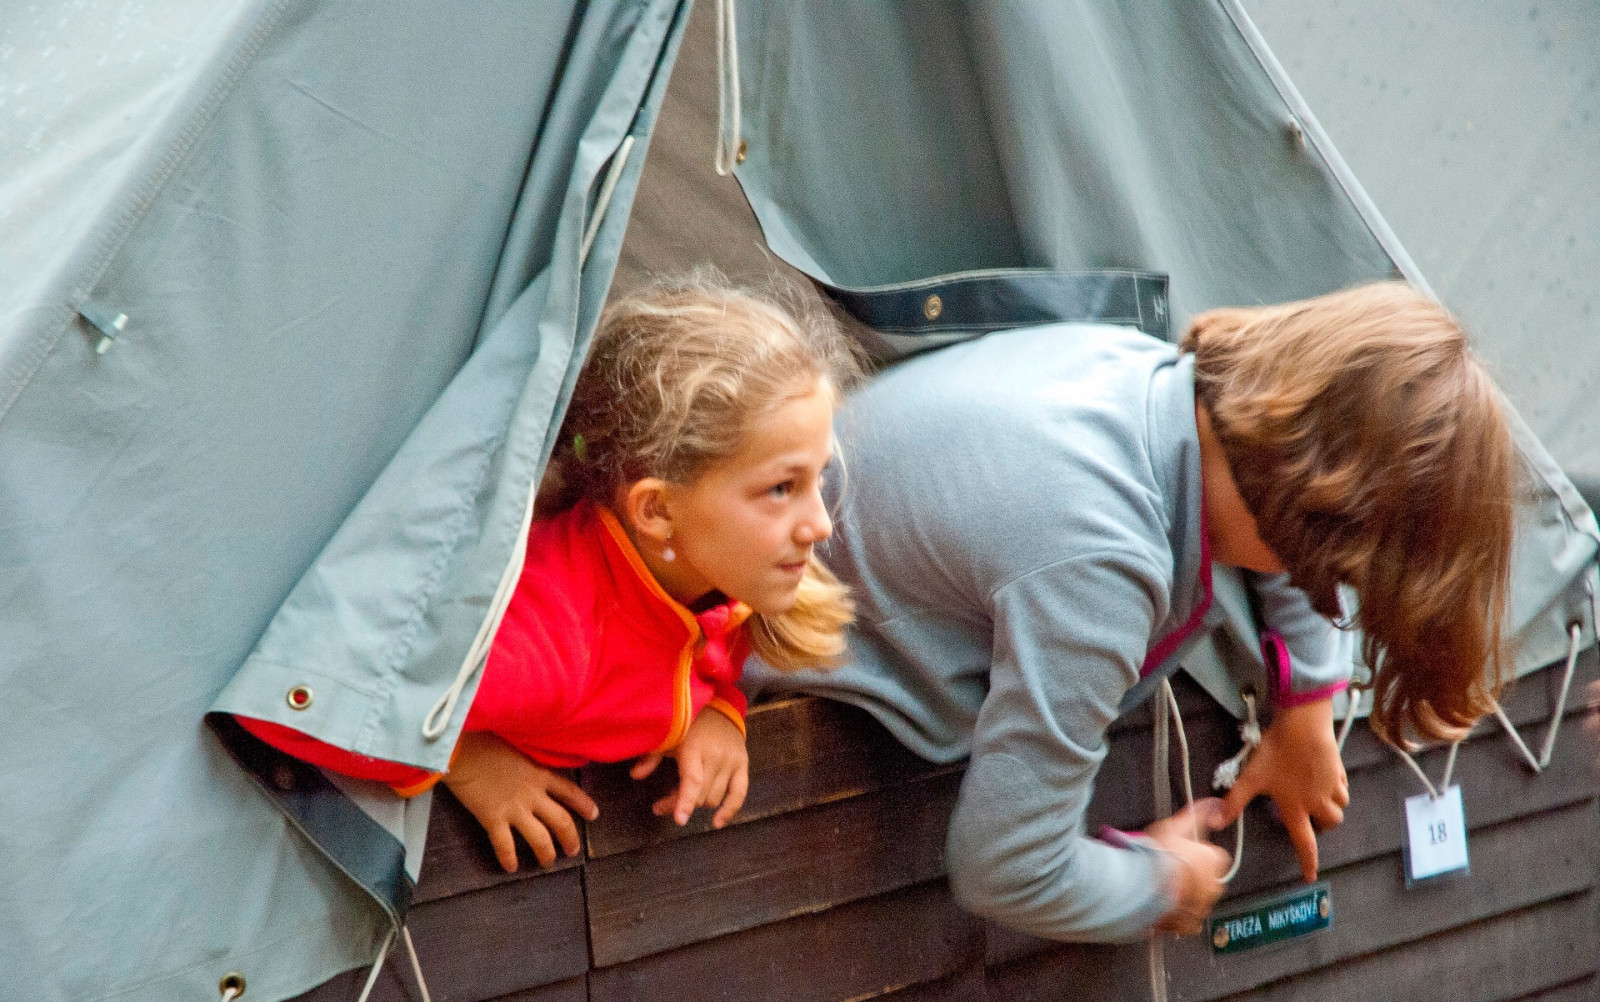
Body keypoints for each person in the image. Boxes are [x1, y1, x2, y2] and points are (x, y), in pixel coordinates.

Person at [748, 281, 1515, 941]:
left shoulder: (1150, 380)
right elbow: (1005, 863)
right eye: (1347, 577)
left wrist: (1310, 696)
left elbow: (1286, 497)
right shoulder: (1103, 562)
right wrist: (1163, 881)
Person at [236, 278, 862, 872]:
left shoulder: (717, 579)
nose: (819, 524)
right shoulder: (548, 647)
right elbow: (288, 706)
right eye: (780, 488)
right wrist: (458, 754)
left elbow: (712, 642)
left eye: (817, 478)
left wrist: (721, 709)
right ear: (656, 510)